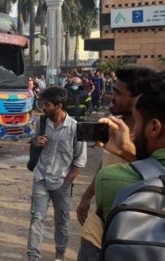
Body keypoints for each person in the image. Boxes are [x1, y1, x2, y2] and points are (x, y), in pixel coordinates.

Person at [75, 65, 157, 261]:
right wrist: (87, 197)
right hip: (95, 233)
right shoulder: (113, 129)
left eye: (118, 93)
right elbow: (105, 165)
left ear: (138, 98)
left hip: (130, 237)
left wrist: (126, 152)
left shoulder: (153, 139)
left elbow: (156, 175)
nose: (112, 97)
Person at [95, 72, 165, 224]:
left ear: (154, 128)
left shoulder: (111, 179)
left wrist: (127, 153)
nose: (112, 98)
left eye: (138, 120)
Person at [27, 86, 87, 261]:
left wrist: (67, 183)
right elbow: (32, 141)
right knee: (36, 219)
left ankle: (59, 255)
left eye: (46, 104)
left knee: (62, 223)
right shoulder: (42, 123)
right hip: (41, 178)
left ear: (58, 105)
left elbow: (79, 161)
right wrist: (36, 142)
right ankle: (33, 257)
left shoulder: (76, 128)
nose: (43, 108)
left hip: (62, 183)